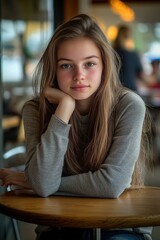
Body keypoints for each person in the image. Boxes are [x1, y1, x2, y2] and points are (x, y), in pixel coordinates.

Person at [0, 14, 153, 240]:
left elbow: (111, 185)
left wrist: (36, 181)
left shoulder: (128, 105)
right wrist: (65, 107)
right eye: (66, 65)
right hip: (58, 226)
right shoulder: (35, 110)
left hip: (120, 226)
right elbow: (43, 183)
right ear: (54, 68)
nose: (79, 76)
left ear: (104, 65)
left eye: (89, 64)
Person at [113, 25, 149, 92]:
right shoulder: (132, 55)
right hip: (130, 90)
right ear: (129, 37)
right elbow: (141, 75)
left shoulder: (111, 52)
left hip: (113, 89)